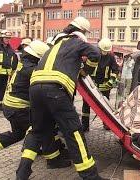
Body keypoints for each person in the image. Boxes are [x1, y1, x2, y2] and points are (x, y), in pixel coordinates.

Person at [16, 17, 105, 180]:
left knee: (38, 131)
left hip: (35, 88)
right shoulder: (76, 42)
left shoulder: (53, 45)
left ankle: (22, 173)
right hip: (55, 90)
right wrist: (86, 70)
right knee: (74, 131)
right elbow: (95, 53)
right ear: (81, 32)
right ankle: (90, 176)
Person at [0, 40, 54, 166]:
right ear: (38, 57)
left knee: (18, 133)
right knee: (40, 126)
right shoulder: (32, 69)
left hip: (12, 105)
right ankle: (49, 155)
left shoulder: (24, 63)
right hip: (18, 107)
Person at [81, 38, 119, 132]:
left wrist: (111, 81)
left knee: (105, 106)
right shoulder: (93, 55)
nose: (104, 53)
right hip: (91, 85)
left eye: (106, 51)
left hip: (105, 86)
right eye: (103, 51)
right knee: (86, 105)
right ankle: (85, 125)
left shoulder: (111, 57)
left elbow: (115, 70)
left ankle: (106, 124)